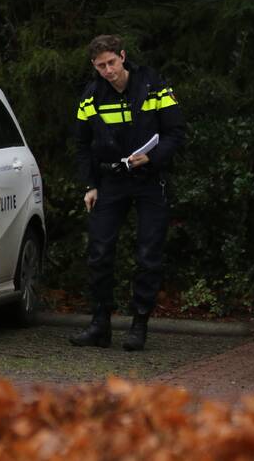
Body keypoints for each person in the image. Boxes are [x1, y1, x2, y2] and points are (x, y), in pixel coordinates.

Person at [69, 34, 185, 351]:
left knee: (148, 254)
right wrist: (90, 185)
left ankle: (139, 325)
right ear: (94, 66)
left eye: (111, 63)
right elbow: (81, 145)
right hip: (111, 181)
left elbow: (176, 133)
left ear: (123, 56)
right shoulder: (91, 97)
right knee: (99, 252)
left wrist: (153, 157)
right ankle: (100, 324)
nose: (108, 71)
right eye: (100, 66)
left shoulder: (154, 87)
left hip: (149, 178)